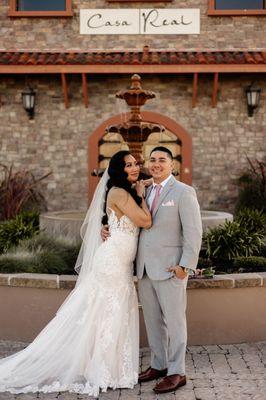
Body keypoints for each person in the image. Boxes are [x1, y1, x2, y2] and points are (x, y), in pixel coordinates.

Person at [0, 150, 151, 395]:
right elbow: (145, 221)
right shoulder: (119, 192)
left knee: (113, 313)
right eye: (128, 165)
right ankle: (101, 370)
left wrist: (135, 196)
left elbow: (121, 220)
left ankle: (110, 368)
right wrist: (142, 197)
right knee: (107, 314)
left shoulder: (126, 191)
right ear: (117, 170)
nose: (134, 168)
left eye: (136, 163)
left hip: (121, 263)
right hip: (111, 262)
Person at [137, 146, 202, 393]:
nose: (156, 164)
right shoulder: (143, 190)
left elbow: (194, 233)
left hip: (170, 268)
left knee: (175, 322)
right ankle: (159, 365)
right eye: (152, 160)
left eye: (161, 160)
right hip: (144, 268)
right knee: (153, 321)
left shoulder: (184, 192)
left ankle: (177, 372)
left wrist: (185, 266)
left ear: (171, 165)